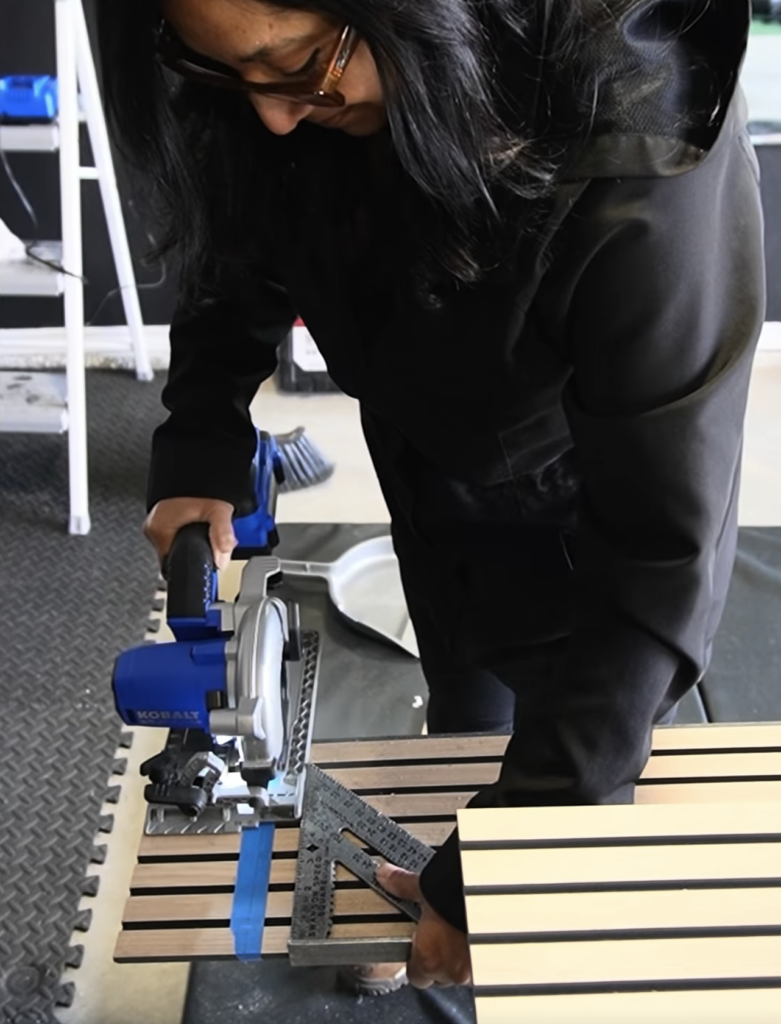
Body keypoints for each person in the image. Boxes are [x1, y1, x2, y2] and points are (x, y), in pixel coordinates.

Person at [99, 0, 765, 995]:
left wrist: (514, 862)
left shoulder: (642, 149)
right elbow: (250, 213)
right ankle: (431, 855)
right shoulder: (289, 97)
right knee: (461, 687)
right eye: (231, 76)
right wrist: (202, 432)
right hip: (424, 432)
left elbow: (662, 554)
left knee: (592, 726)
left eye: (299, 66)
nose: (273, 114)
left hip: (573, 473)